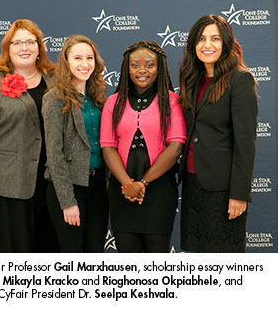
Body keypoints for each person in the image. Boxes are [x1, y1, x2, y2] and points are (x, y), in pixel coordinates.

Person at [0, 19, 58, 252]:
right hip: (6, 183)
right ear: (8, 49)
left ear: (40, 48)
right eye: (17, 42)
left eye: (30, 42)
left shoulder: (55, 78)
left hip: (50, 182)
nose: (24, 47)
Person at [178, 15, 258, 253]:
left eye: (214, 38)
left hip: (224, 191)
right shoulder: (192, 79)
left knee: (225, 263)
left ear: (225, 43)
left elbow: (245, 144)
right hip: (193, 184)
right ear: (194, 45)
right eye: (201, 39)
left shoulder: (240, 79)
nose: (207, 45)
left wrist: (239, 195)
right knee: (197, 262)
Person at [100, 40, 186, 253]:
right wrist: (127, 184)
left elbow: (175, 146)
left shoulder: (172, 101)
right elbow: (108, 146)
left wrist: (142, 183)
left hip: (159, 192)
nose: (142, 70)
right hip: (122, 191)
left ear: (160, 68)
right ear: (126, 68)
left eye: (149, 65)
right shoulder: (113, 102)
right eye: (135, 65)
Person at [42, 35, 108, 252]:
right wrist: (68, 201)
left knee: (95, 252)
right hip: (70, 188)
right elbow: (54, 153)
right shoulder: (54, 98)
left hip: (98, 187)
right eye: (78, 58)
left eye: (89, 58)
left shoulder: (98, 96)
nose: (85, 64)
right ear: (67, 62)